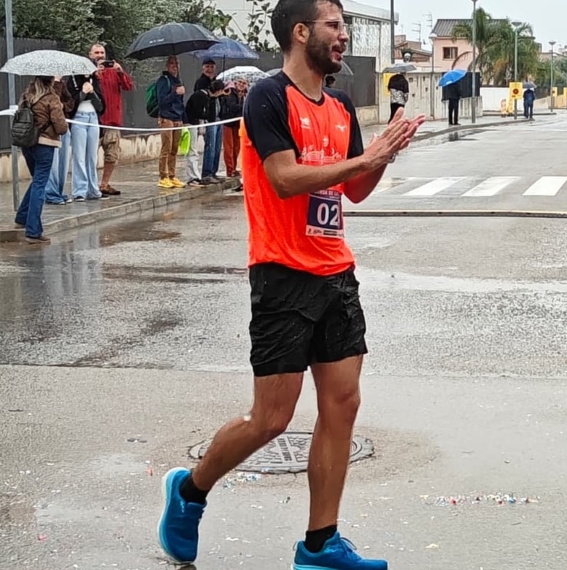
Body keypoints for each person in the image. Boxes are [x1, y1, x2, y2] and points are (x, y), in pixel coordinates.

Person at [156, 0, 425, 567]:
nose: (344, 36)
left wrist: (383, 153)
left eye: (345, 26)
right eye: (334, 26)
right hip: (282, 276)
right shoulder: (268, 96)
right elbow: (283, 179)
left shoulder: (342, 104)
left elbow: (354, 193)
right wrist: (366, 157)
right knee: (272, 419)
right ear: (301, 32)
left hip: (336, 272)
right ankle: (189, 490)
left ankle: (319, 544)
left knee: (343, 405)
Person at [15, 76, 69, 245]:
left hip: (26, 142)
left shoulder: (26, 97)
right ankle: (33, 231)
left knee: (36, 181)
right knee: (40, 184)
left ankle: (22, 217)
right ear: (50, 82)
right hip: (44, 145)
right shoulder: (51, 99)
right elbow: (61, 127)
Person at [89, 43, 131, 196]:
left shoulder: (114, 71)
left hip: (113, 120)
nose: (100, 55)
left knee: (112, 155)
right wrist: (94, 74)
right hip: (94, 120)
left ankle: (104, 184)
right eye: (96, 53)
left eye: (102, 52)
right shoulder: (88, 72)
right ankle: (91, 184)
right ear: (90, 55)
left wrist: (120, 72)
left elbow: (128, 86)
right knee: (90, 155)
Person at [64, 71, 105, 201]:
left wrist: (92, 93)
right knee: (79, 156)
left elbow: (101, 106)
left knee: (92, 157)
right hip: (78, 119)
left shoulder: (95, 81)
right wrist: (82, 93)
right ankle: (80, 191)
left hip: (93, 118)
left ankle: (93, 189)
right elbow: (71, 105)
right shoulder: (72, 81)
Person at [184, 80, 226, 186]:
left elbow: (210, 117)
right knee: (193, 150)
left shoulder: (210, 97)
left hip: (198, 124)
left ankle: (201, 175)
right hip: (192, 123)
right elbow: (199, 113)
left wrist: (213, 100)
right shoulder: (200, 96)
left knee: (197, 150)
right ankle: (193, 177)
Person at [43, 78, 76, 205]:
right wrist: (55, 82)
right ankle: (51, 193)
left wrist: (64, 106)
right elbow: (52, 102)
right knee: (53, 163)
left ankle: (58, 191)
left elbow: (69, 103)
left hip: (63, 125)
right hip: (50, 129)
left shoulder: (62, 84)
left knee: (63, 162)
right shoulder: (42, 86)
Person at [155, 56, 187, 189]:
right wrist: (175, 92)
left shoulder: (178, 81)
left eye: (177, 63)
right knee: (166, 148)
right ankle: (163, 176)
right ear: (167, 65)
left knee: (174, 149)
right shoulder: (164, 81)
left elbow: (180, 103)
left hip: (177, 118)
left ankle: (172, 175)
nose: (175, 66)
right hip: (166, 117)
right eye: (172, 63)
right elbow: (161, 101)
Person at [195, 59, 224, 181]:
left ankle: (213, 172)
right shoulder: (201, 82)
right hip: (209, 118)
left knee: (217, 147)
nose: (210, 69)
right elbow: (201, 98)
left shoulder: (217, 81)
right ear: (203, 68)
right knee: (210, 146)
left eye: (212, 67)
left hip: (219, 117)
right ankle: (207, 174)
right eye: (207, 66)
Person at [220, 79, 246, 178]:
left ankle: (234, 168)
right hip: (228, 122)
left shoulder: (244, 95)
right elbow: (232, 107)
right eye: (240, 82)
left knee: (236, 147)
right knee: (229, 148)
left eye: (244, 83)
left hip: (238, 124)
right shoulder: (230, 93)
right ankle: (230, 170)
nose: (241, 85)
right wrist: (243, 105)